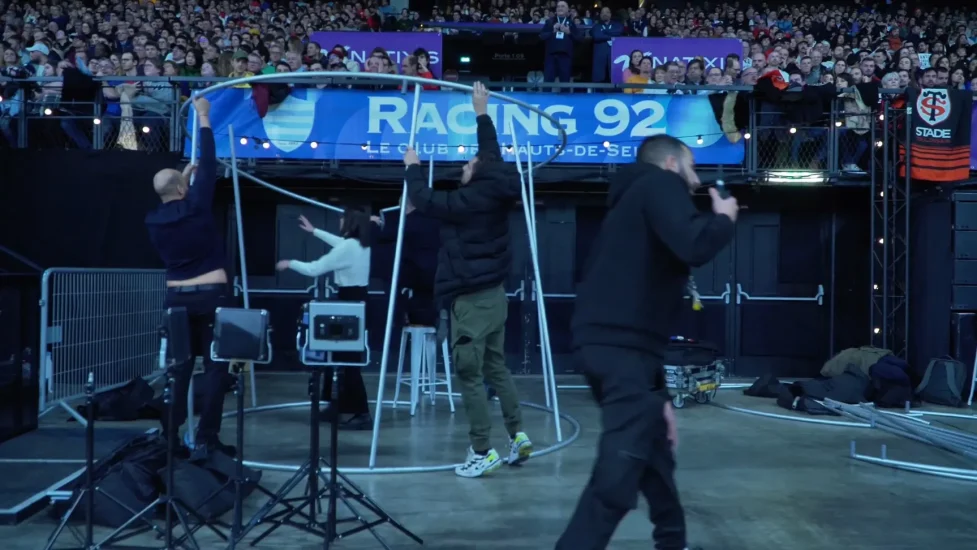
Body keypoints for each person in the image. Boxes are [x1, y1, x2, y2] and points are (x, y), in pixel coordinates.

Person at [555, 135, 739, 550]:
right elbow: (693, 243)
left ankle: (673, 542)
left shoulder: (634, 199)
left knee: (656, 458)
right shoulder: (659, 184)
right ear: (671, 163)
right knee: (619, 472)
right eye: (692, 167)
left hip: (619, 347)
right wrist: (724, 219)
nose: (696, 180)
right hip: (622, 348)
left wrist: (660, 398)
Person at [401, 82, 533, 478]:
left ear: (478, 173)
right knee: (497, 369)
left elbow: (427, 200)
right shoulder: (495, 185)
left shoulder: (468, 201)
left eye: (468, 164)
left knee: (470, 376)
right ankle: (518, 435)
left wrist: (412, 167)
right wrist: (481, 112)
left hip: (472, 302)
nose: (464, 166)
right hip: (495, 297)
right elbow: (490, 151)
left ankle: (482, 450)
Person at [144, 96, 234, 459]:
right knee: (216, 369)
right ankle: (207, 438)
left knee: (178, 369)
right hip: (210, 296)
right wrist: (204, 117)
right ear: (183, 189)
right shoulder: (196, 206)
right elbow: (209, 162)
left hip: (176, 299)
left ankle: (170, 435)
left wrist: (183, 180)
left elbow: (173, 195)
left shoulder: (153, 220)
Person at [276, 210, 374, 430]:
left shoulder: (349, 248)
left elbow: (315, 268)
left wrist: (290, 263)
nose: (340, 220)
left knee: (348, 361)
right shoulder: (360, 244)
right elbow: (339, 243)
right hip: (357, 300)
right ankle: (337, 406)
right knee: (340, 357)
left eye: (343, 217)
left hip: (350, 302)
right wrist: (315, 231)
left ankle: (361, 413)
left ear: (350, 222)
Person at [539, 1, 578, 85]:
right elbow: (541, 36)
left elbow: (579, 38)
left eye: (562, 6)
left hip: (565, 56)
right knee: (547, 83)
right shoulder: (549, 22)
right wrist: (552, 31)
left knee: (565, 84)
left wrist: (569, 33)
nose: (560, 8)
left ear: (567, 10)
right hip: (550, 56)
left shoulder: (571, 23)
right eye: (558, 6)